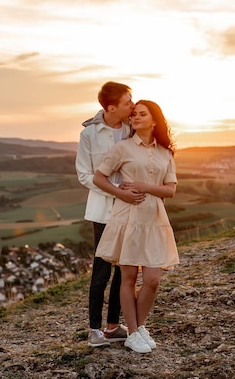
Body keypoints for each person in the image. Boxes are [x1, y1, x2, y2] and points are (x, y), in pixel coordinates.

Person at [92, 100, 179, 354]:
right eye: (134, 114)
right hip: (128, 217)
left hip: (154, 219)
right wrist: (122, 194)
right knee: (128, 277)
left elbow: (171, 190)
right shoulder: (123, 148)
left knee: (152, 279)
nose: (136, 117)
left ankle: (137, 329)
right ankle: (133, 332)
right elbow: (99, 177)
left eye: (143, 114)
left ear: (155, 120)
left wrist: (143, 187)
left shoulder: (165, 152)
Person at [75, 81, 141, 347]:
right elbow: (84, 175)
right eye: (128, 102)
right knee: (101, 271)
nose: (133, 105)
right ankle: (94, 330)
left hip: (129, 208)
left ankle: (113, 326)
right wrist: (115, 191)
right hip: (103, 209)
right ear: (111, 107)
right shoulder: (90, 134)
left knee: (124, 268)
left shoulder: (130, 129)